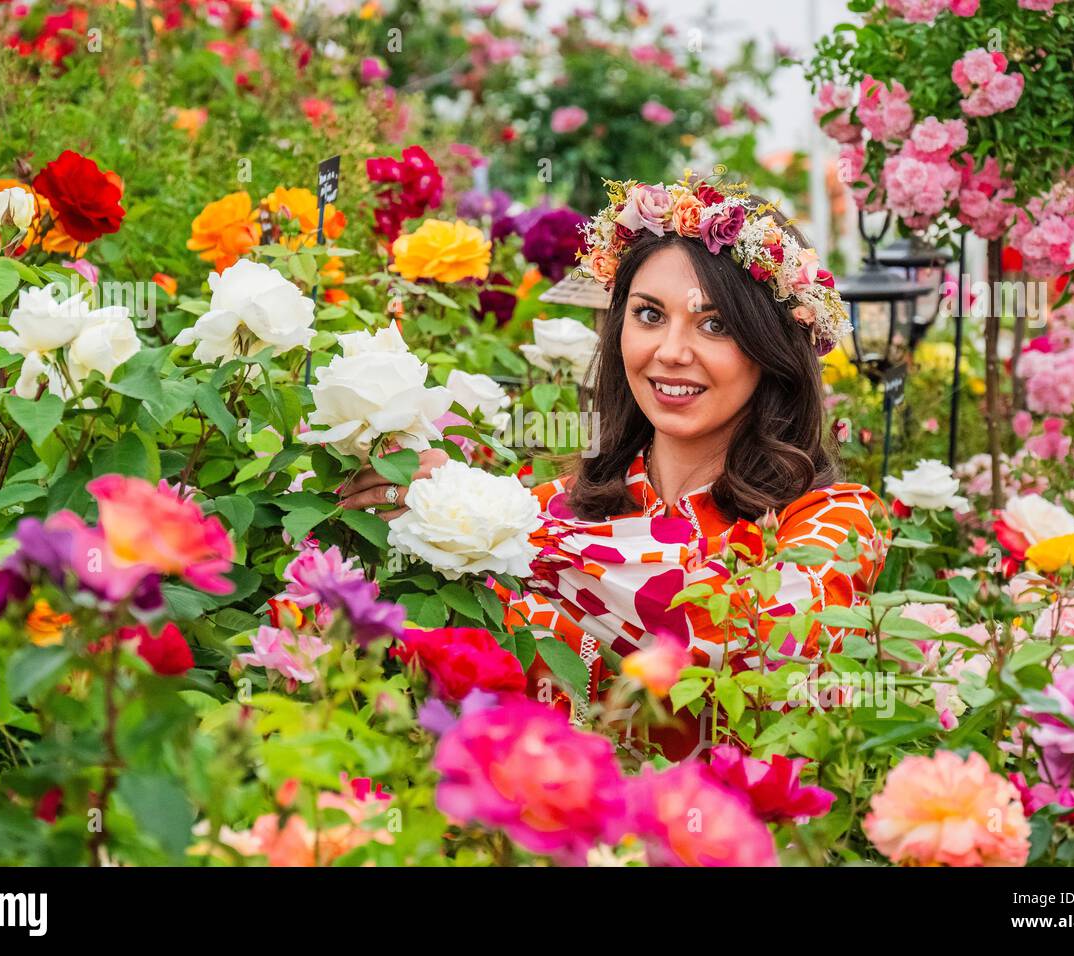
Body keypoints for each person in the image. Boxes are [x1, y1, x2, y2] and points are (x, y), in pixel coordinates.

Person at [340, 176, 889, 761]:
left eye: (716, 324)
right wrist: (404, 513)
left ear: (772, 348)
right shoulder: (553, 507)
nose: (672, 350)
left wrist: (482, 521)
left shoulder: (833, 523)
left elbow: (749, 633)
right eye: (649, 315)